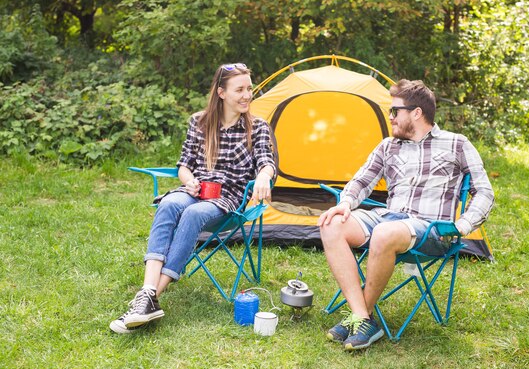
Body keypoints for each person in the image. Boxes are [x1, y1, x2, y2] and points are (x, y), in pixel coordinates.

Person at [317, 79, 494, 350]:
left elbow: (484, 192)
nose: (390, 118)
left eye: (394, 112)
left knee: (384, 233)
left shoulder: (456, 144)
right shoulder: (389, 146)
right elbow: (362, 181)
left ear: (416, 113)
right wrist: (346, 202)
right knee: (331, 224)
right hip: (389, 218)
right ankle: (362, 316)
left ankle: (359, 317)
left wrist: (464, 224)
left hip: (431, 229)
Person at [110, 63, 276, 334]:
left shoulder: (257, 127)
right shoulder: (199, 122)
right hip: (197, 192)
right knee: (169, 203)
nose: (247, 95)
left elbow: (266, 161)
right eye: (240, 89)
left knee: (193, 214)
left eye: (249, 89)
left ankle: (149, 300)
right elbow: (183, 165)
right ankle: (147, 291)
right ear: (221, 92)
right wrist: (189, 181)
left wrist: (263, 177)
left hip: (229, 200)